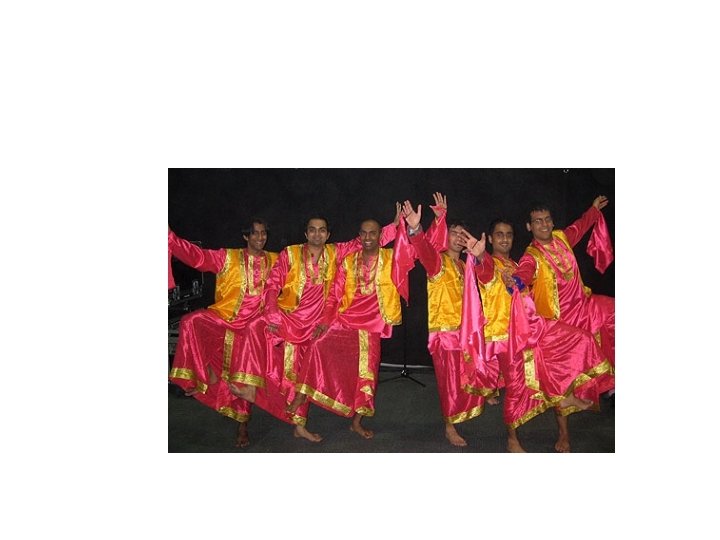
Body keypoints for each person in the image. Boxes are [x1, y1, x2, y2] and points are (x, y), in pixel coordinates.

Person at [227, 208, 401, 442]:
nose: (317, 234)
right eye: (312, 230)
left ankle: (299, 425)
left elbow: (365, 240)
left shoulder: (336, 252)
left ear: (327, 235)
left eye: (321, 230)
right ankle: (248, 384)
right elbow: (272, 284)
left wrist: (395, 226)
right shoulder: (290, 253)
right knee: (254, 326)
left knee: (301, 374)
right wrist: (273, 315)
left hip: (316, 325)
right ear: (306, 233)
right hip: (291, 319)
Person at [465, 218, 613, 452]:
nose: (505, 238)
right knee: (515, 389)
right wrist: (481, 256)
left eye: (509, 234)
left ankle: (565, 396)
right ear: (490, 239)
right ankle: (512, 439)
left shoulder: (515, 264)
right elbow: (485, 272)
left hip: (531, 330)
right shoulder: (492, 265)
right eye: (499, 234)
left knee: (578, 341)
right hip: (507, 338)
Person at [167, 219, 278, 448]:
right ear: (245, 237)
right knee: (191, 321)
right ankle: (202, 375)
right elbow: (197, 257)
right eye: (255, 233)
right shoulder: (227, 257)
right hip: (225, 318)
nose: (260, 237)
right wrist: (170, 238)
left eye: (263, 233)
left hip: (254, 327)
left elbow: (301, 269)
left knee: (242, 375)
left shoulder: (276, 260)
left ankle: (242, 425)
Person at [289, 218, 404, 439]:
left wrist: (411, 226)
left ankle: (356, 423)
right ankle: (302, 393)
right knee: (317, 345)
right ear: (359, 236)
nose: (368, 237)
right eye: (364, 233)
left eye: (373, 233)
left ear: (380, 236)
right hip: (345, 320)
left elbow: (419, 250)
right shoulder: (348, 261)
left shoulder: (392, 258)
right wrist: (325, 322)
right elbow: (334, 296)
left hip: (371, 327)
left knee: (367, 376)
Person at [402, 194, 499, 447]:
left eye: (461, 233)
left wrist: (480, 257)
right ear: (445, 236)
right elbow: (423, 250)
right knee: (450, 383)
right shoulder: (438, 262)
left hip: (468, 332)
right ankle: (449, 426)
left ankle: (482, 394)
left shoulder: (465, 265)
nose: (457, 237)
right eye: (453, 232)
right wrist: (415, 229)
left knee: (476, 368)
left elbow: (488, 277)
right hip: (445, 335)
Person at [512, 196, 615, 372]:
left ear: (552, 222)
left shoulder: (562, 238)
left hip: (584, 306)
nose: (544, 224)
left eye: (547, 219)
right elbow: (524, 272)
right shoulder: (531, 256)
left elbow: (580, 226)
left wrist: (594, 209)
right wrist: (516, 281)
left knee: (613, 311)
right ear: (529, 227)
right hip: (560, 318)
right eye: (538, 221)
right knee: (585, 344)